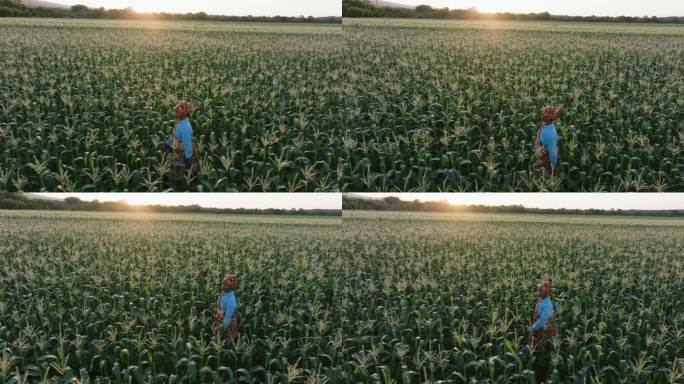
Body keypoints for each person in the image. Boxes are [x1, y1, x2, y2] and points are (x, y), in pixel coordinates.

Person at [531, 280, 558, 382]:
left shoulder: (547, 305)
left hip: (543, 330)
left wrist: (533, 327)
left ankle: (541, 373)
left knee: (540, 349)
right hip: (538, 328)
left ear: (546, 293)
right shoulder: (541, 300)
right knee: (535, 349)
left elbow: (542, 321)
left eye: (541, 291)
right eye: (539, 290)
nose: (538, 292)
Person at [162, 100, 198, 172]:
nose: (176, 113)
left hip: (183, 155)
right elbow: (174, 135)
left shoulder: (185, 127)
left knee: (179, 173)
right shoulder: (179, 122)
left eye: (178, 112)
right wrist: (167, 143)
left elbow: (188, 145)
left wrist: (188, 160)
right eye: (176, 111)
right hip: (177, 151)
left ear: (184, 113)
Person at [534, 106, 560, 174]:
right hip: (543, 156)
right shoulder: (547, 126)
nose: (542, 117)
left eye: (543, 115)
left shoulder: (549, 132)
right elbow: (552, 150)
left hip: (544, 157)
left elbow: (552, 150)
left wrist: (553, 165)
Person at [212, 274, 239, 340]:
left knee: (224, 340)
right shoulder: (224, 293)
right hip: (220, 319)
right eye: (222, 283)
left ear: (231, 286)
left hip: (226, 325)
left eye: (225, 284)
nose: (222, 285)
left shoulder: (231, 301)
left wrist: (222, 330)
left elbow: (227, 318)